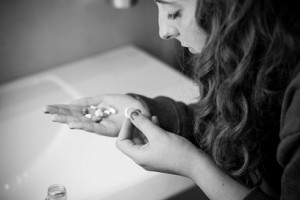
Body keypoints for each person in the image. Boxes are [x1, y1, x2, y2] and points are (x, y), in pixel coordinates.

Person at [43, 0, 300, 199]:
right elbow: (231, 124)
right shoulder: (266, 55)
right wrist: (149, 111)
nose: (163, 31)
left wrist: (193, 165)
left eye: (174, 12)